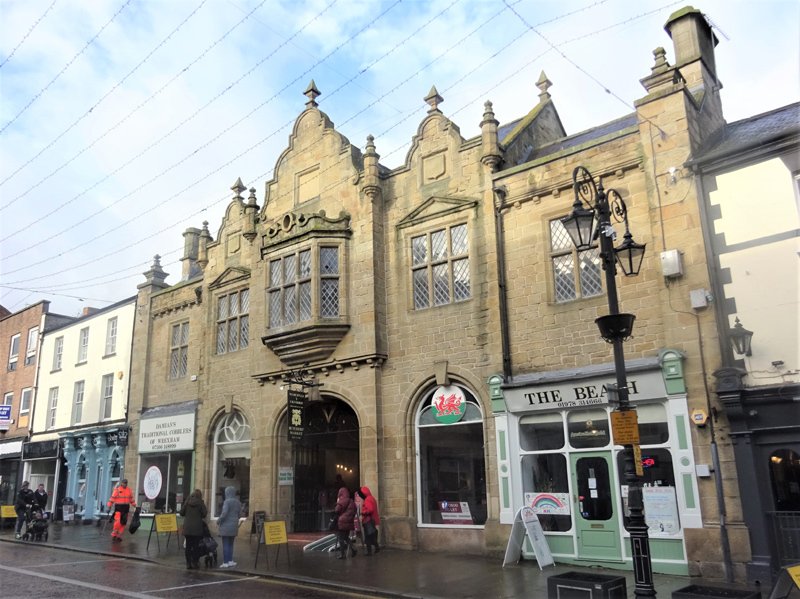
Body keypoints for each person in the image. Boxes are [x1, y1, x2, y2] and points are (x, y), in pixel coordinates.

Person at [180, 489, 208, 569]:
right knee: (196, 546)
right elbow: (204, 514)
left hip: (188, 528)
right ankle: (195, 562)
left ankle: (188, 563)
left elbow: (181, 513)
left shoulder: (187, 502)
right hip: (197, 528)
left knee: (188, 546)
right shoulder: (200, 503)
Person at [216, 486, 241, 568]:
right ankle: (230, 560)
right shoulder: (238, 502)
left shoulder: (227, 502)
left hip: (226, 527)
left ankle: (226, 562)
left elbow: (224, 513)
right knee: (231, 544)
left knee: (225, 544)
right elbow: (239, 515)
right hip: (234, 526)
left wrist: (218, 520)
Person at [106, 478, 136, 543]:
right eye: (124, 483)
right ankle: (114, 535)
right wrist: (109, 506)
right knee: (118, 523)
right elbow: (112, 499)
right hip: (118, 509)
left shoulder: (129, 490)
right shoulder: (117, 490)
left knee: (123, 523)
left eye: (126, 483)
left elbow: (131, 499)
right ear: (121, 483)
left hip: (125, 509)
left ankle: (119, 536)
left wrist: (135, 505)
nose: (125, 484)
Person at [334, 486, 356, 559]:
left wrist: (338, 502)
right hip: (349, 522)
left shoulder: (342, 500)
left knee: (340, 538)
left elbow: (337, 510)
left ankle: (342, 554)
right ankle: (353, 548)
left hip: (342, 522)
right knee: (346, 537)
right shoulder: (351, 501)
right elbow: (355, 510)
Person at [358, 486, 381, 555]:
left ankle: (369, 552)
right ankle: (376, 548)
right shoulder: (372, 498)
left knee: (368, 536)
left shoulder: (368, 499)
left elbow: (370, 509)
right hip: (371, 520)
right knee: (371, 535)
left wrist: (363, 512)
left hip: (368, 520)